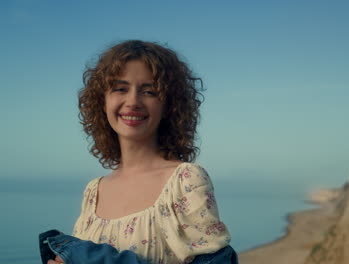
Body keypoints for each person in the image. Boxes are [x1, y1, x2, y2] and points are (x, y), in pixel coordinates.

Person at [42, 40, 235, 264]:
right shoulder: (93, 192)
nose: (133, 101)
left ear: (168, 106)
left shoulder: (185, 181)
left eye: (149, 91)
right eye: (120, 89)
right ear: (102, 102)